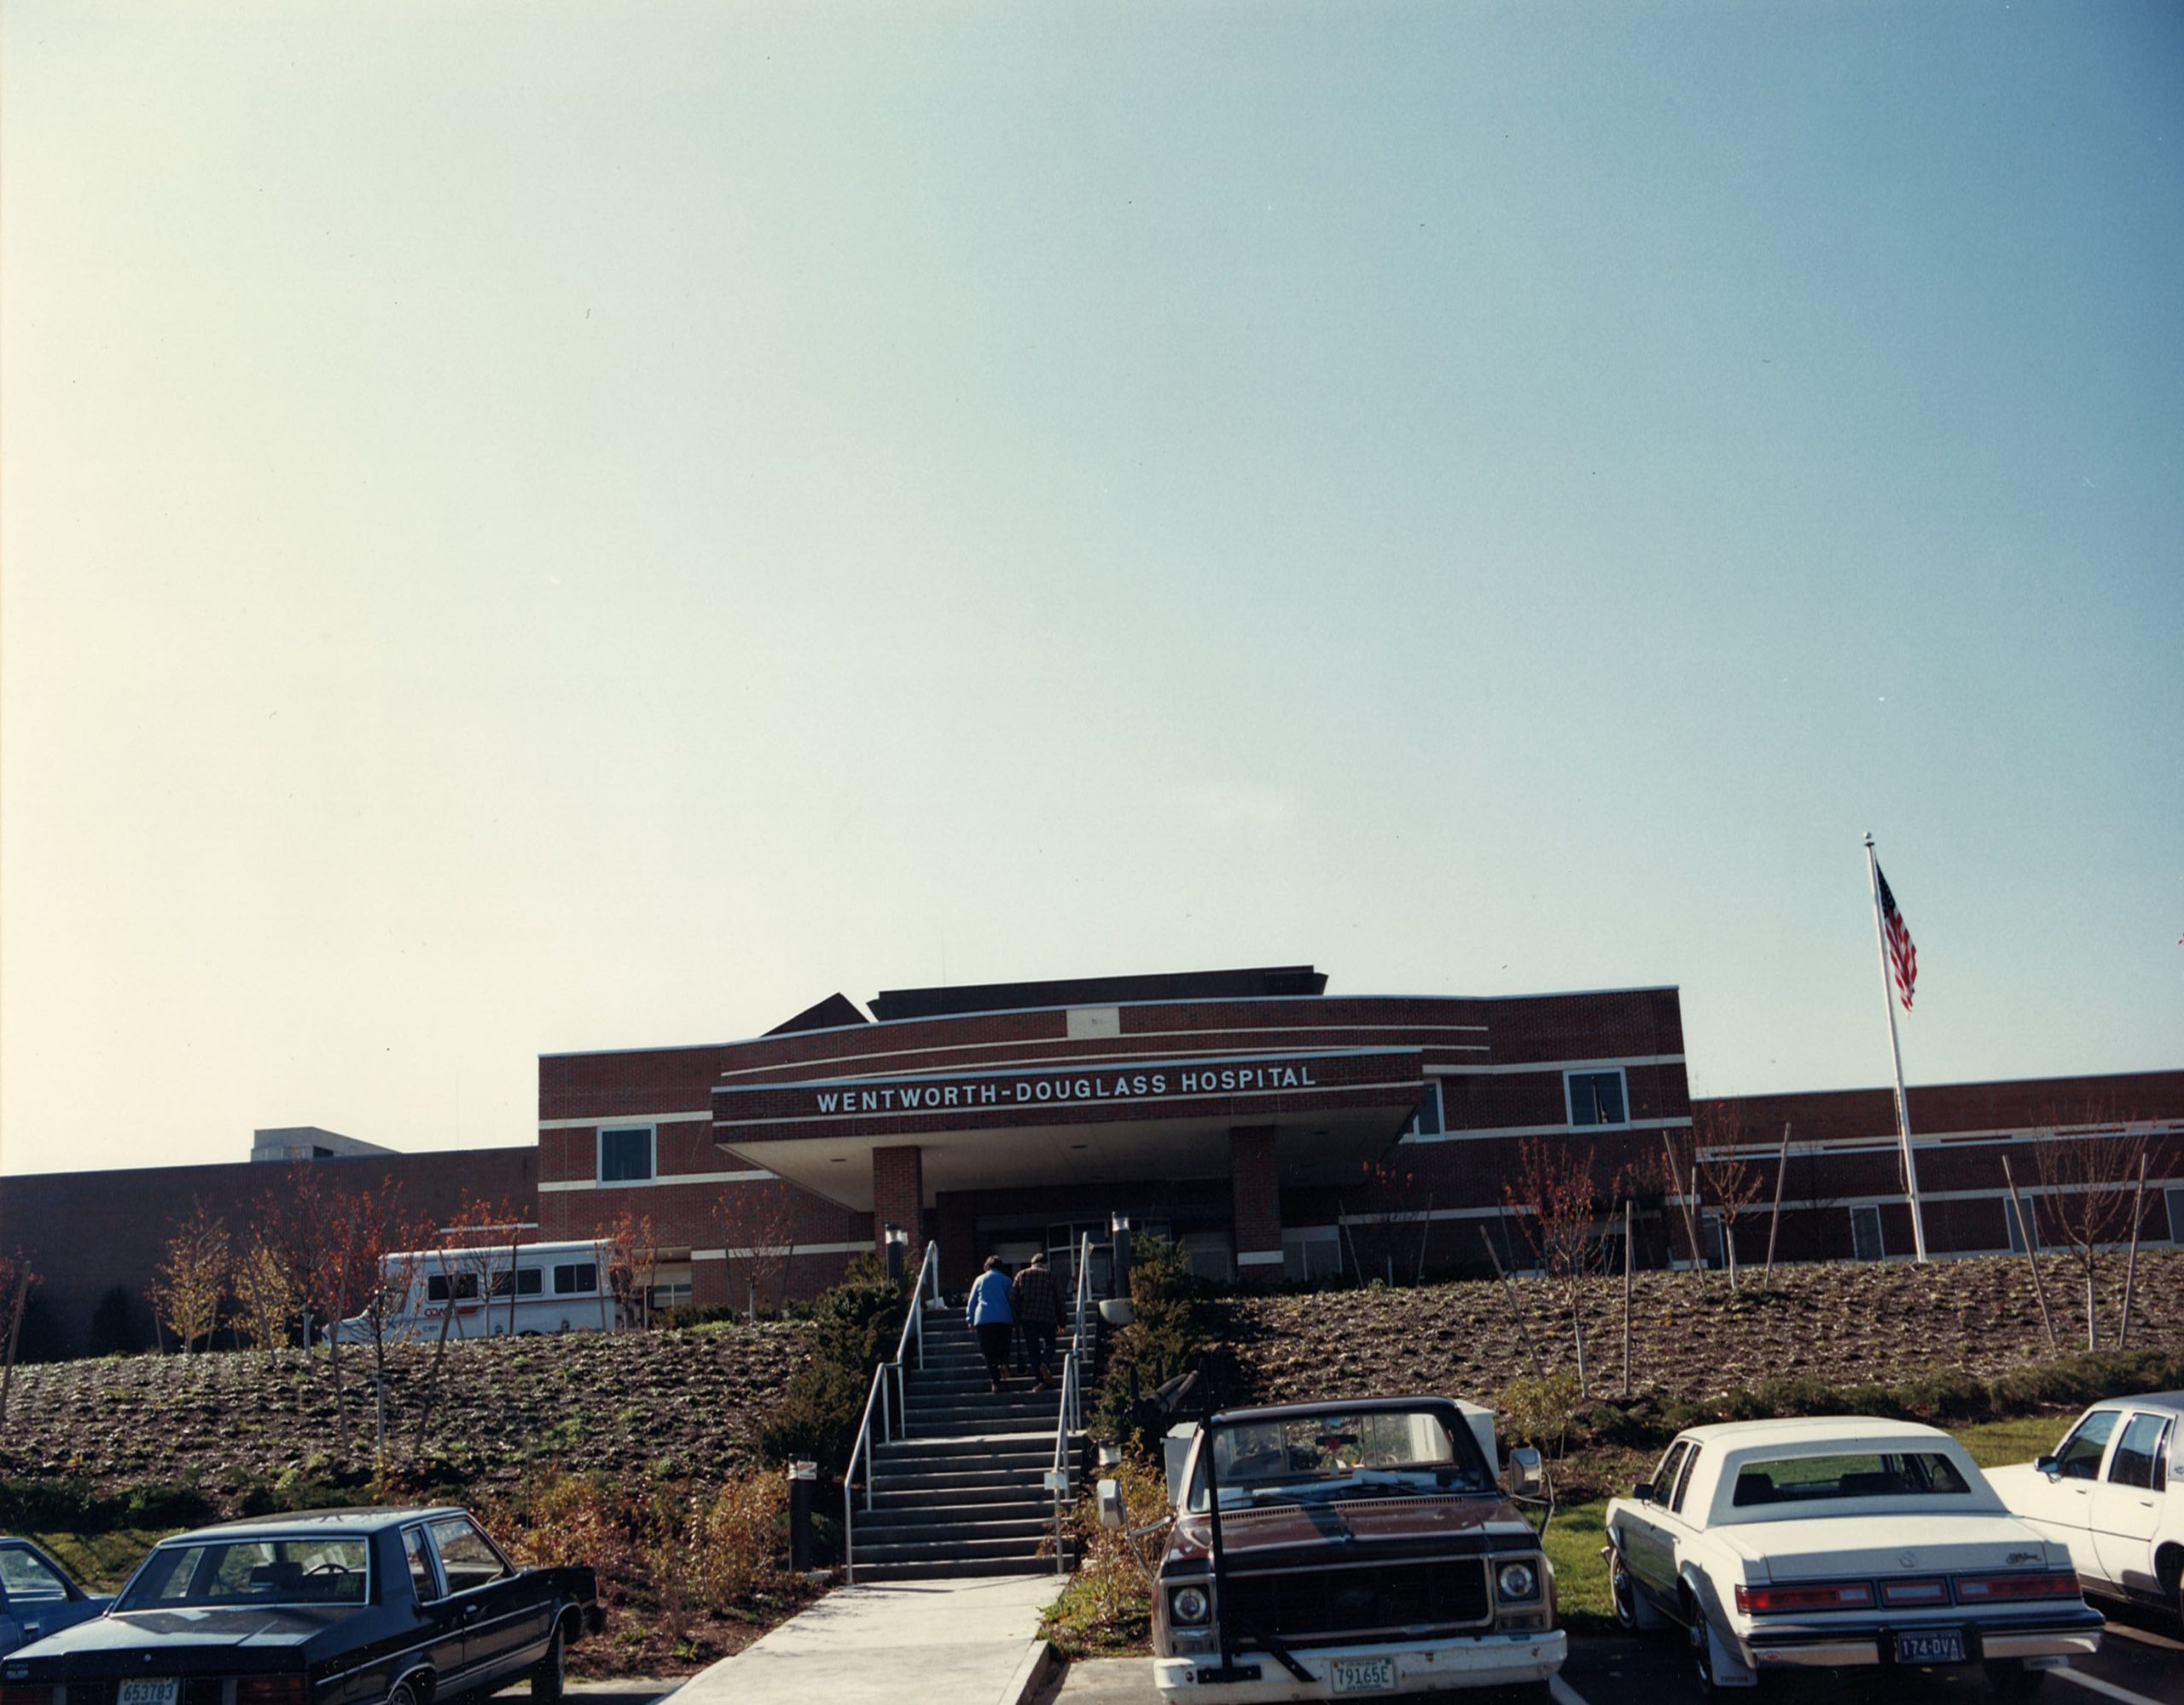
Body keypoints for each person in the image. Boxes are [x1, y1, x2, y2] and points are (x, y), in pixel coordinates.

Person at [965, 1254, 1017, 1393]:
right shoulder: (1007, 1280)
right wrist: (1015, 1318)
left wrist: (969, 1319)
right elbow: (1012, 1301)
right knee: (1004, 1345)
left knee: (988, 1352)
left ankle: (995, 1381)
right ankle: (1004, 1363)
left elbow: (972, 1301)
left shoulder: (979, 1280)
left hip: (984, 1318)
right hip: (1004, 1318)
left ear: (986, 1266)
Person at [1010, 1249, 1061, 1389]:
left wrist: (1018, 1316)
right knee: (1051, 1343)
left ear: (1032, 1264)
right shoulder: (1050, 1276)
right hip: (1047, 1317)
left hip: (1028, 1319)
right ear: (1045, 1264)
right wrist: (1062, 1321)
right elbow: (1059, 1300)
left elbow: (1013, 1297)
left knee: (1033, 1350)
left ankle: (1039, 1381)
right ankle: (1045, 1362)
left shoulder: (1021, 1275)